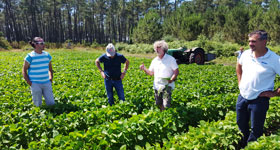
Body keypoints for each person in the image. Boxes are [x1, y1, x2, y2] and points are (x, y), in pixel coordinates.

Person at [236, 30, 280, 148]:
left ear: (264, 42)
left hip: (259, 100)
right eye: (249, 41)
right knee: (241, 126)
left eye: (254, 41)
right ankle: (243, 145)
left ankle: (252, 147)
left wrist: (275, 93)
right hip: (243, 97)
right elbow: (239, 66)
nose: (250, 44)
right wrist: (240, 83)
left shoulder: (275, 59)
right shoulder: (246, 54)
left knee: (256, 129)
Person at [139, 40, 179, 111]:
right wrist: (144, 68)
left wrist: (171, 79)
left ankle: (167, 116)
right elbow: (151, 73)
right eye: (156, 48)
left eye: (159, 48)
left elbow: (176, 71)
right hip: (157, 85)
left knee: (166, 103)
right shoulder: (155, 60)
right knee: (159, 103)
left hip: (167, 85)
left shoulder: (170, 59)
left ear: (163, 49)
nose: (157, 50)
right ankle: (162, 115)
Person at [22, 37, 55, 107]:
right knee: (37, 105)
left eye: (44, 43)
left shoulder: (47, 55)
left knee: (51, 103)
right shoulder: (30, 56)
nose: (44, 45)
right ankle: (37, 116)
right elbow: (24, 70)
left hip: (46, 82)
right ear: (36, 44)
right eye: (41, 43)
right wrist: (30, 82)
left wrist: (50, 78)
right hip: (35, 83)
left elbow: (50, 69)